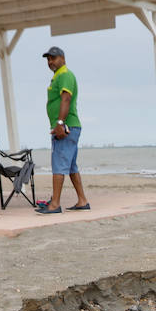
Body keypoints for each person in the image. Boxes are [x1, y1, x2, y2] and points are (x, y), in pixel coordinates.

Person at [36, 46, 90, 214]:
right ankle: (82, 201)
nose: (50, 62)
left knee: (59, 165)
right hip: (69, 126)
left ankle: (55, 204)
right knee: (72, 167)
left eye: (53, 58)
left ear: (63, 59)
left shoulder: (65, 75)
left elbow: (66, 98)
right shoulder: (58, 76)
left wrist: (60, 123)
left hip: (66, 127)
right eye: (48, 59)